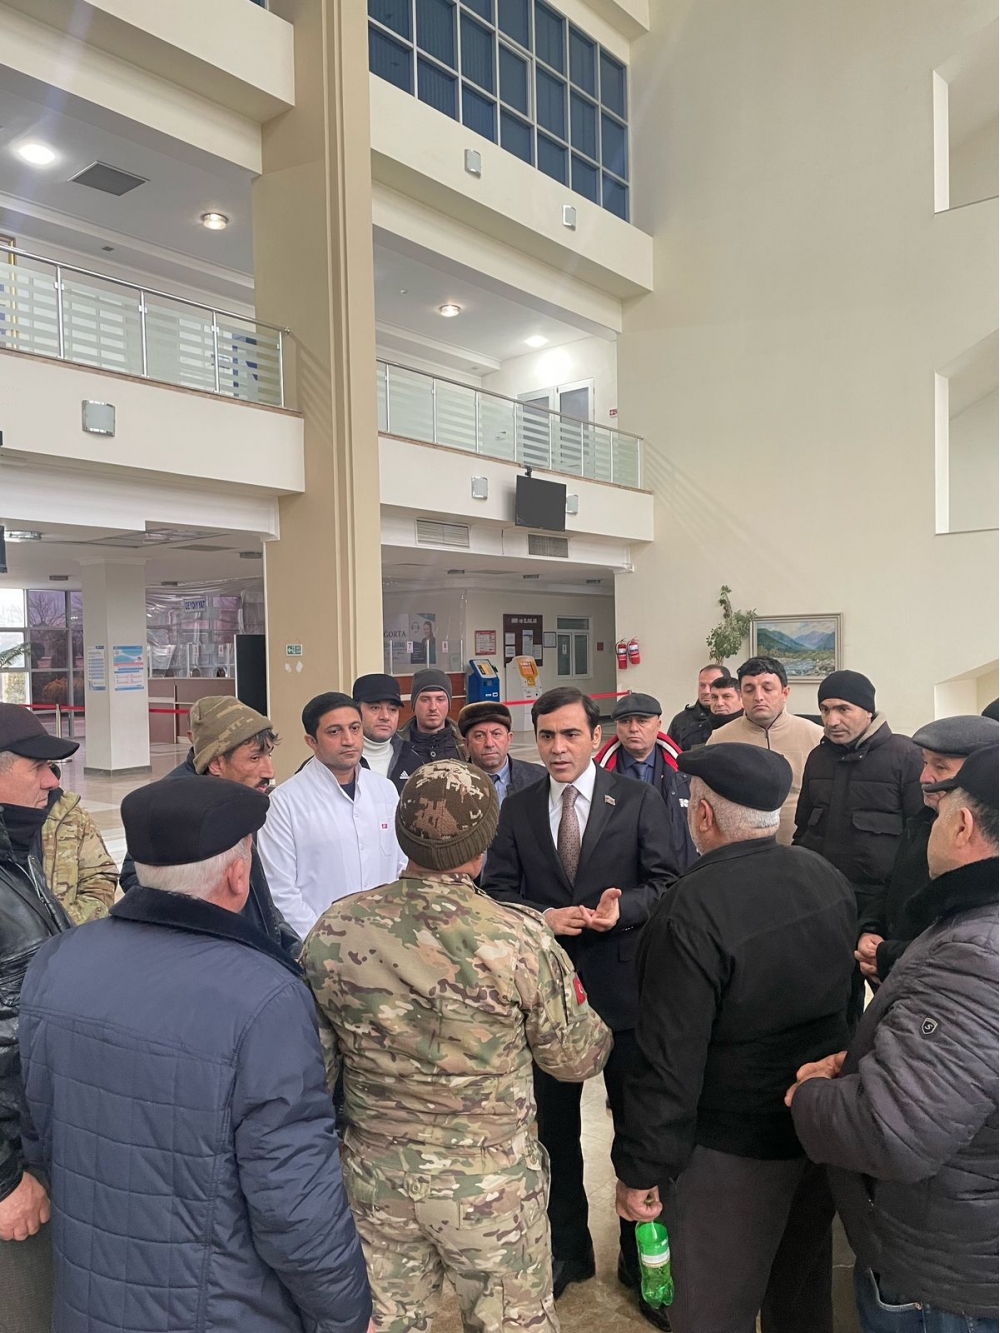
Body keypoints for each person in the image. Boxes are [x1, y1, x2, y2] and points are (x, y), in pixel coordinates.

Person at [18, 776, 373, 1333]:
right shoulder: (265, 999)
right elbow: (293, 1200)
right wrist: (346, 1314)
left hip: (89, 1297)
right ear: (237, 873)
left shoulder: (60, 958)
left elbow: (39, 1125)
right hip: (220, 1307)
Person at [303, 759, 613, 1333]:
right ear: (482, 846)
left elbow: (312, 1074)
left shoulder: (336, 929)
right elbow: (577, 1059)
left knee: (385, 1323)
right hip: (490, 1192)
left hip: (377, 1183)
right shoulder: (517, 937)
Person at [613, 744, 856, 1333]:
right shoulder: (825, 876)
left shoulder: (687, 911)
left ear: (703, 815)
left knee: (711, 1309)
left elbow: (669, 1061)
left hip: (728, 1156)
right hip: (816, 1132)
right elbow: (848, 1008)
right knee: (801, 1300)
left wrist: (642, 1168)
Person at [787, 743, 999, 1333]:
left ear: (962, 824)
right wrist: (867, 1059)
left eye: (940, 809)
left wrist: (810, 1098)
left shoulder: (975, 952)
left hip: (947, 1277)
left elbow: (892, 1133)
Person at [483, 685, 677, 1321]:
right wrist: (543, 916)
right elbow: (496, 892)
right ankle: (568, 1249)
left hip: (624, 993)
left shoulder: (639, 800)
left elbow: (667, 884)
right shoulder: (516, 808)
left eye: (570, 734)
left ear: (597, 737)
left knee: (635, 1129)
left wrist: (623, 912)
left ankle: (638, 1257)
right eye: (546, 735)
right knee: (554, 1133)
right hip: (546, 999)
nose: (558, 748)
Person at [0, 706, 77, 1333]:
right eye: (39, 768)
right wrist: (3, 1180)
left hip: (36, 1143)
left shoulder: (19, 856)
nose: (54, 783)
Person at [119, 696, 299, 957]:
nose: (269, 771)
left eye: (268, 755)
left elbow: (258, 896)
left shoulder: (234, 795)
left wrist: (286, 943)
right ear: (216, 763)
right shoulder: (174, 805)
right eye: (255, 758)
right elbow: (134, 876)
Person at [793, 670, 924, 1016]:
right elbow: (803, 828)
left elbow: (920, 838)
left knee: (894, 1006)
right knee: (830, 1002)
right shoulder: (818, 758)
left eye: (842, 709)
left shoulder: (906, 756)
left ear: (868, 710)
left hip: (882, 910)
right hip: (824, 902)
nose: (831, 720)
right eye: (824, 710)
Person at [855, 713, 998, 982]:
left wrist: (888, 955)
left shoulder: (986, 847)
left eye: (940, 767)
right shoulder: (922, 820)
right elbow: (892, 885)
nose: (924, 777)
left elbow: (965, 943)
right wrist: (870, 928)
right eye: (925, 763)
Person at [258, 692, 405, 939]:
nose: (348, 740)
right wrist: (327, 940)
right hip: (320, 945)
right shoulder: (285, 802)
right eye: (334, 732)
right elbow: (280, 891)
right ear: (311, 741)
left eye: (355, 728)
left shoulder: (385, 790)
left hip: (386, 939)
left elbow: (402, 864)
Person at [707, 655, 823, 843]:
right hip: (740, 849)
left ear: (785, 692)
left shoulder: (816, 737)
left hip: (800, 848)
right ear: (741, 695)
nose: (758, 697)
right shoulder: (719, 740)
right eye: (749, 689)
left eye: (767, 689)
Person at [594, 692, 697, 875]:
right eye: (625, 721)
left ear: (658, 725)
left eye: (642, 721)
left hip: (674, 874)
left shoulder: (687, 773)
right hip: (618, 876)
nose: (633, 728)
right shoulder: (596, 774)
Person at [390, 668, 465, 787]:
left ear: (449, 703)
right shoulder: (395, 746)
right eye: (425, 699)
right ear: (414, 703)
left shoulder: (466, 743)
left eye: (440, 699)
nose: (433, 707)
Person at [457, 700, 544, 802]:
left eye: (496, 734)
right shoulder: (452, 786)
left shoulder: (540, 778)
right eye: (479, 736)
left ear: (509, 738)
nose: (489, 744)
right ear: (466, 743)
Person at [353, 672, 405, 784]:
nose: (385, 717)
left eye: (392, 709)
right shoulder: (337, 761)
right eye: (375, 708)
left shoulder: (413, 758)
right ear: (356, 711)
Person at [666, 663, 720, 750]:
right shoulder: (681, 720)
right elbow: (669, 754)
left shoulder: (739, 719)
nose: (706, 691)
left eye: (712, 685)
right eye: (702, 685)